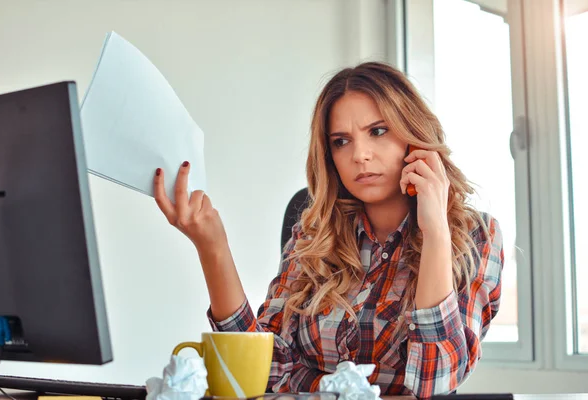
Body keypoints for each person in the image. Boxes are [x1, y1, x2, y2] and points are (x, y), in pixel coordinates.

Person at [153, 62, 504, 398]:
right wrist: (212, 247)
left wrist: (435, 234)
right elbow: (265, 371)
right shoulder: (314, 233)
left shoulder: (475, 235)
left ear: (415, 137)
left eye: (378, 131)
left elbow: (436, 380)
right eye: (341, 141)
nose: (360, 155)